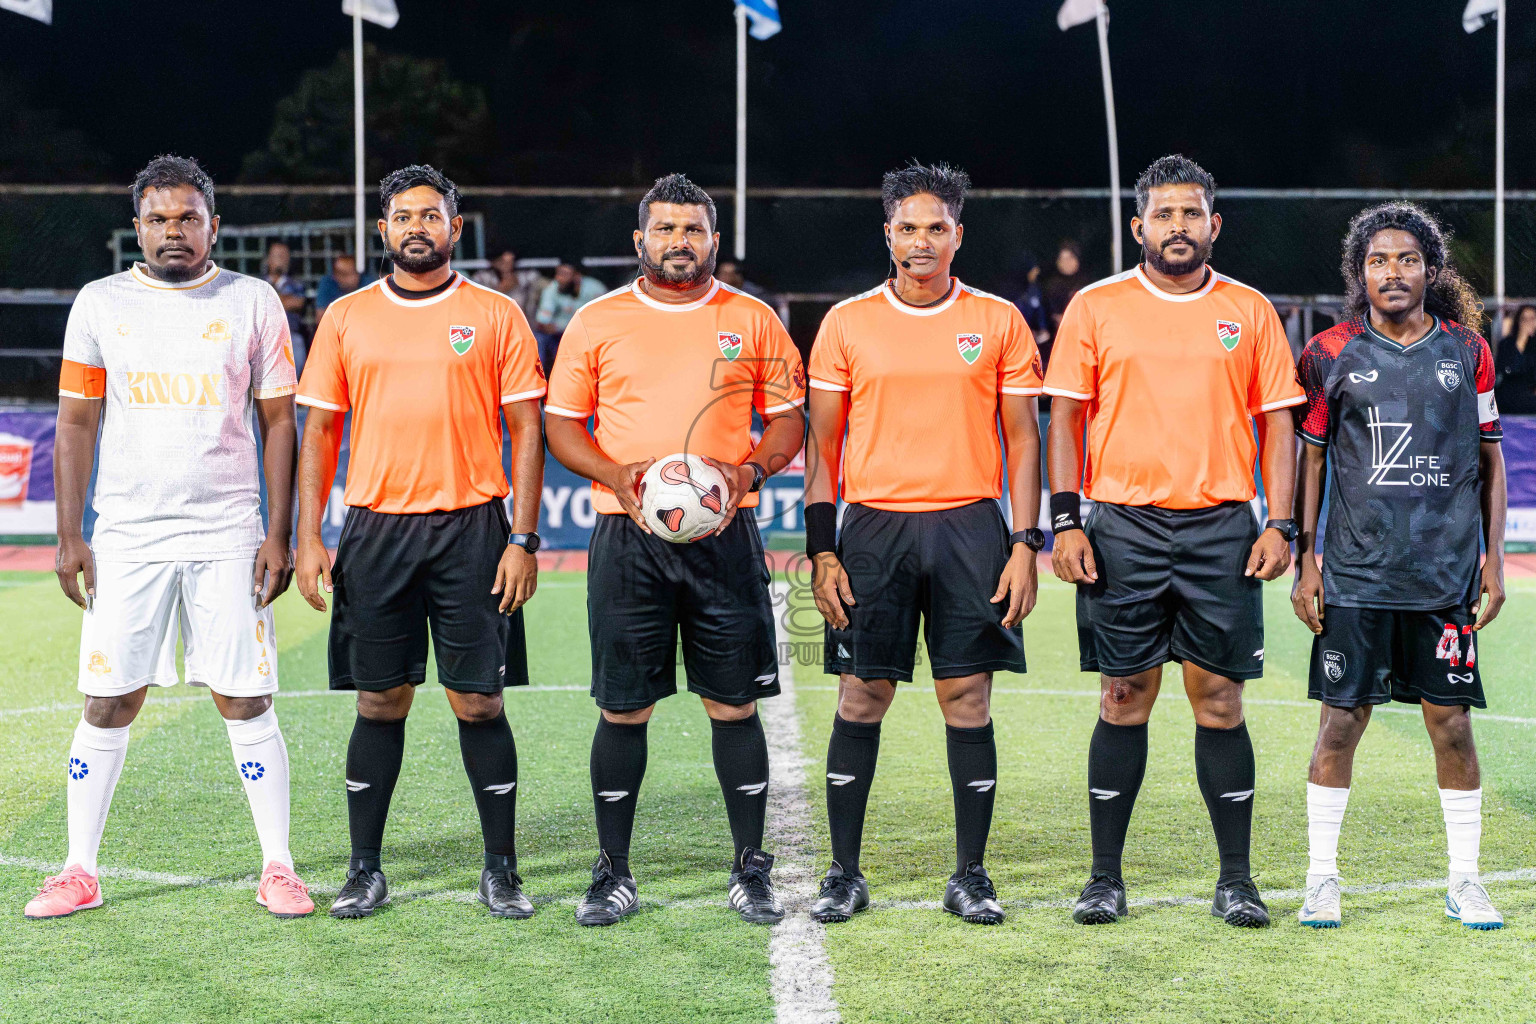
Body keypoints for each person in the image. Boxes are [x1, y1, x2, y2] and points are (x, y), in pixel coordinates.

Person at [28, 154, 311, 920]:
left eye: (188, 217)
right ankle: (79, 870)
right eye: (158, 218)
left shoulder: (252, 301)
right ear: (137, 228)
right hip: (127, 538)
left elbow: (279, 420)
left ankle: (279, 867)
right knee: (108, 700)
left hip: (229, 534)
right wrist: (70, 534)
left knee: (244, 698)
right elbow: (75, 422)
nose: (173, 230)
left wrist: (278, 533)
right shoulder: (101, 304)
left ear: (214, 225)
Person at [1044, 155, 1305, 928]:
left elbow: (1279, 423)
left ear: (1214, 224)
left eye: (1192, 213)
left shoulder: (1250, 310)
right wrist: (1066, 520)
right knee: (1123, 696)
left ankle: (1236, 881)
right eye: (1164, 214)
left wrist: (1281, 521)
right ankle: (1103, 879)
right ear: (1139, 226)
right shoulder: (1095, 306)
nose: (1178, 226)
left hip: (1221, 527)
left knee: (1219, 699)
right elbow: (1065, 418)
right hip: (1121, 527)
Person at [544, 173, 805, 927]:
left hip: (725, 537)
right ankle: (613, 872)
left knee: (734, 703)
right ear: (640, 240)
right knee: (623, 709)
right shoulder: (596, 321)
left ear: (714, 241)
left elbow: (789, 419)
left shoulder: (754, 319)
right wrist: (614, 475)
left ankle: (750, 868)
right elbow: (562, 426)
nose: (679, 242)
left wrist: (749, 472)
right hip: (628, 540)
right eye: (665, 229)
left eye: (692, 230)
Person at [294, 164, 546, 920]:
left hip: (474, 529)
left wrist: (523, 537)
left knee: (479, 701)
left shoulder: (495, 313)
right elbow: (320, 432)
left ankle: (501, 870)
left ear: (455, 228)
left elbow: (527, 428)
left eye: (431, 215)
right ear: (383, 229)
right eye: (403, 216)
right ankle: (363, 870)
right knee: (379, 700)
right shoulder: (346, 317)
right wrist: (309, 535)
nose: (416, 227)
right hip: (375, 530)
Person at [804, 162, 1044, 927]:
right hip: (873, 528)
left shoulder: (999, 321)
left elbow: (1023, 439)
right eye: (907, 227)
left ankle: (970, 875)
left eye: (936, 227)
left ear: (957, 235)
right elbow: (822, 448)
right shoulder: (846, 323)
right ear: (888, 234)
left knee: (966, 697)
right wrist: (822, 549)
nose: (921, 241)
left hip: (971, 526)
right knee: (861, 694)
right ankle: (844, 873)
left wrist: (1025, 543)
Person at [1292, 202, 1507, 930]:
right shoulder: (1328, 353)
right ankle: (1321, 880)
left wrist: (1493, 561)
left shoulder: (1467, 351)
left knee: (1452, 726)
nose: (1393, 271)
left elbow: (1491, 460)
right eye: (1378, 260)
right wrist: (1307, 561)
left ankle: (1466, 881)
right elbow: (1311, 463)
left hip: (1443, 576)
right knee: (1340, 724)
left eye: (1407, 259)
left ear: (1431, 270)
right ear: (1360, 273)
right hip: (1356, 576)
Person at [533, 258, 605, 374]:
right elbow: (543, 322)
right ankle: (538, 377)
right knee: (540, 338)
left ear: (577, 277)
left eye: (564, 274)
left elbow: (605, 318)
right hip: (560, 336)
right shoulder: (552, 288)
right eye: (558, 273)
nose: (559, 278)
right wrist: (560, 328)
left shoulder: (594, 288)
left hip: (589, 334)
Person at [1041, 239, 1090, 365]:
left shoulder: (1088, 283)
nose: (1066, 262)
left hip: (1084, 339)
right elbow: (1051, 316)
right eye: (1062, 258)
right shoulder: (1051, 285)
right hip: (1057, 341)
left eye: (1070, 258)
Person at [264, 240, 308, 371]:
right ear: (268, 259)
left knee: (297, 343)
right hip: (263, 337)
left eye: (284, 256)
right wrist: (284, 299)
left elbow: (297, 302)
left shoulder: (297, 285)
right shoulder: (258, 283)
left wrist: (268, 300)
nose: (281, 260)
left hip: (290, 336)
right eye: (277, 256)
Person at [473, 247, 546, 314]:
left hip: (521, 317)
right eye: (502, 262)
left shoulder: (525, 276)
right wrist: (501, 289)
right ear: (494, 262)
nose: (506, 266)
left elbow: (545, 285)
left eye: (510, 262)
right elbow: (479, 303)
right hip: (493, 316)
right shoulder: (482, 278)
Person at [1494, 303, 1536, 414]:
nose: (1528, 323)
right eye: (1524, 319)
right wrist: (1521, 339)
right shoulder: (1507, 344)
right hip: (1510, 396)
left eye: (1532, 318)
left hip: (1530, 396)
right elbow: (1508, 368)